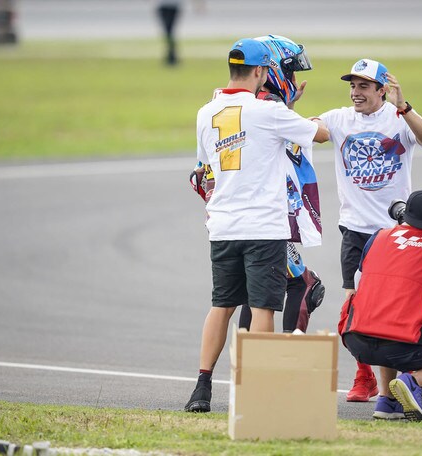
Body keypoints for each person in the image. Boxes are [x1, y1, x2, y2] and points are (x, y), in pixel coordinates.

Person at [184, 38, 329, 413]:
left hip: (223, 226)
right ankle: (259, 391)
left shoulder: (206, 111)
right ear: (263, 72)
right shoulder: (269, 112)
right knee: (263, 306)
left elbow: (208, 164)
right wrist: (302, 115)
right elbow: (320, 136)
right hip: (263, 226)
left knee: (222, 305)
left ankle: (202, 387)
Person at [317, 58, 422, 403]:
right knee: (353, 304)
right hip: (355, 228)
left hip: (395, 231)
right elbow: (317, 129)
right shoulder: (340, 118)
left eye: (364, 86)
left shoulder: (398, 120)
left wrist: (405, 108)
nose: (356, 92)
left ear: (382, 90)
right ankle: (363, 375)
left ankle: (402, 378)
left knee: (397, 306)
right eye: (353, 86)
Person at [338, 190, 422, 422]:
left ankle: (387, 401)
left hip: (356, 339)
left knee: (386, 314)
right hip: (401, 343)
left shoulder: (378, 236)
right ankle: (413, 382)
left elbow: (359, 282)